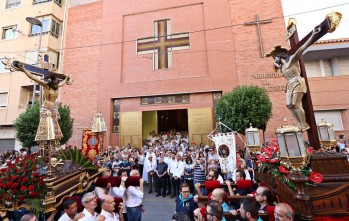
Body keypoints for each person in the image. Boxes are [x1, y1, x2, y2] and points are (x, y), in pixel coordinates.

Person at [265, 27, 321, 131]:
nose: (274, 60)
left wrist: (313, 35)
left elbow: (303, 47)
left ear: (280, 56)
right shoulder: (282, 68)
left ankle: (304, 124)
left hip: (297, 81)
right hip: (289, 84)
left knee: (295, 104)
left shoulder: (292, 59)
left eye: (275, 58)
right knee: (289, 104)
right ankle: (299, 124)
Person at [16, 62, 72, 141]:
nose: (57, 84)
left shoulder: (57, 86)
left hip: (54, 107)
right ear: (52, 82)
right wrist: (24, 69)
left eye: (57, 83)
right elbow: (32, 77)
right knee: (44, 125)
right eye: (56, 82)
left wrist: (67, 78)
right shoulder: (46, 85)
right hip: (46, 106)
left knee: (55, 126)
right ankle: (43, 138)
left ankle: (53, 138)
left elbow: (62, 83)